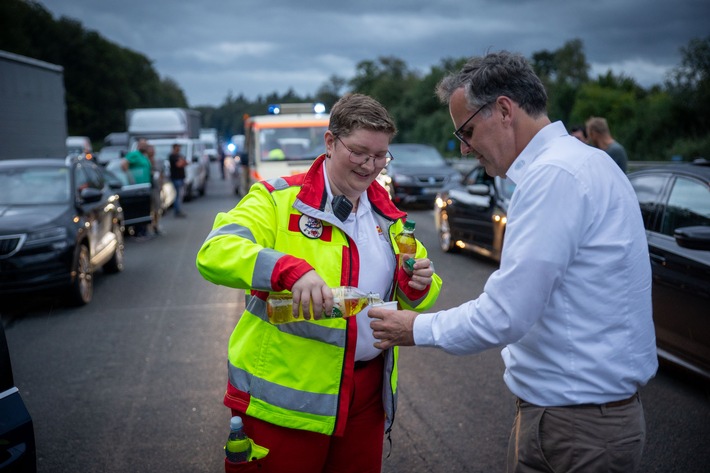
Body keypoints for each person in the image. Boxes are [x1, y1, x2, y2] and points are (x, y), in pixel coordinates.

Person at [369, 52, 657, 473]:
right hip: (585, 417)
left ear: (504, 110)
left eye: (466, 132)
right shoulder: (587, 162)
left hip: (573, 426)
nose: (465, 150)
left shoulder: (553, 176)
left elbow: (505, 314)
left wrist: (414, 328)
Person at [196, 93, 442, 473]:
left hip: (365, 399)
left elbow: (424, 290)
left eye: (381, 156)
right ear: (330, 142)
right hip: (283, 407)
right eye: (360, 152)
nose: (370, 166)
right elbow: (214, 251)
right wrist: (286, 269)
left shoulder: (390, 216)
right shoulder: (278, 200)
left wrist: (418, 284)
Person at [123, 139, 154, 238]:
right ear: (139, 146)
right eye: (143, 145)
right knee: (139, 209)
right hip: (138, 186)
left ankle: (144, 230)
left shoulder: (144, 156)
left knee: (146, 208)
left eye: (146, 145)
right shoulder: (135, 154)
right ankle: (139, 231)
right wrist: (129, 177)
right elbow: (124, 164)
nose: (144, 147)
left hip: (145, 186)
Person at [146, 144, 164, 235]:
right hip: (147, 188)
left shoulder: (158, 161)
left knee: (157, 208)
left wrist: (161, 185)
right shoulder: (145, 161)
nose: (152, 151)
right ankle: (149, 226)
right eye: (150, 150)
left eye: (153, 150)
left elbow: (161, 174)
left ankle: (156, 225)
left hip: (156, 188)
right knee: (149, 208)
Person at [168, 143, 188, 218]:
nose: (179, 149)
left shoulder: (179, 155)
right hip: (176, 178)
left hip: (180, 177)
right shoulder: (172, 156)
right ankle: (177, 211)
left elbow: (185, 163)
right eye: (177, 147)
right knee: (178, 195)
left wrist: (182, 162)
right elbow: (179, 164)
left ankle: (178, 210)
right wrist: (182, 162)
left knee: (180, 195)